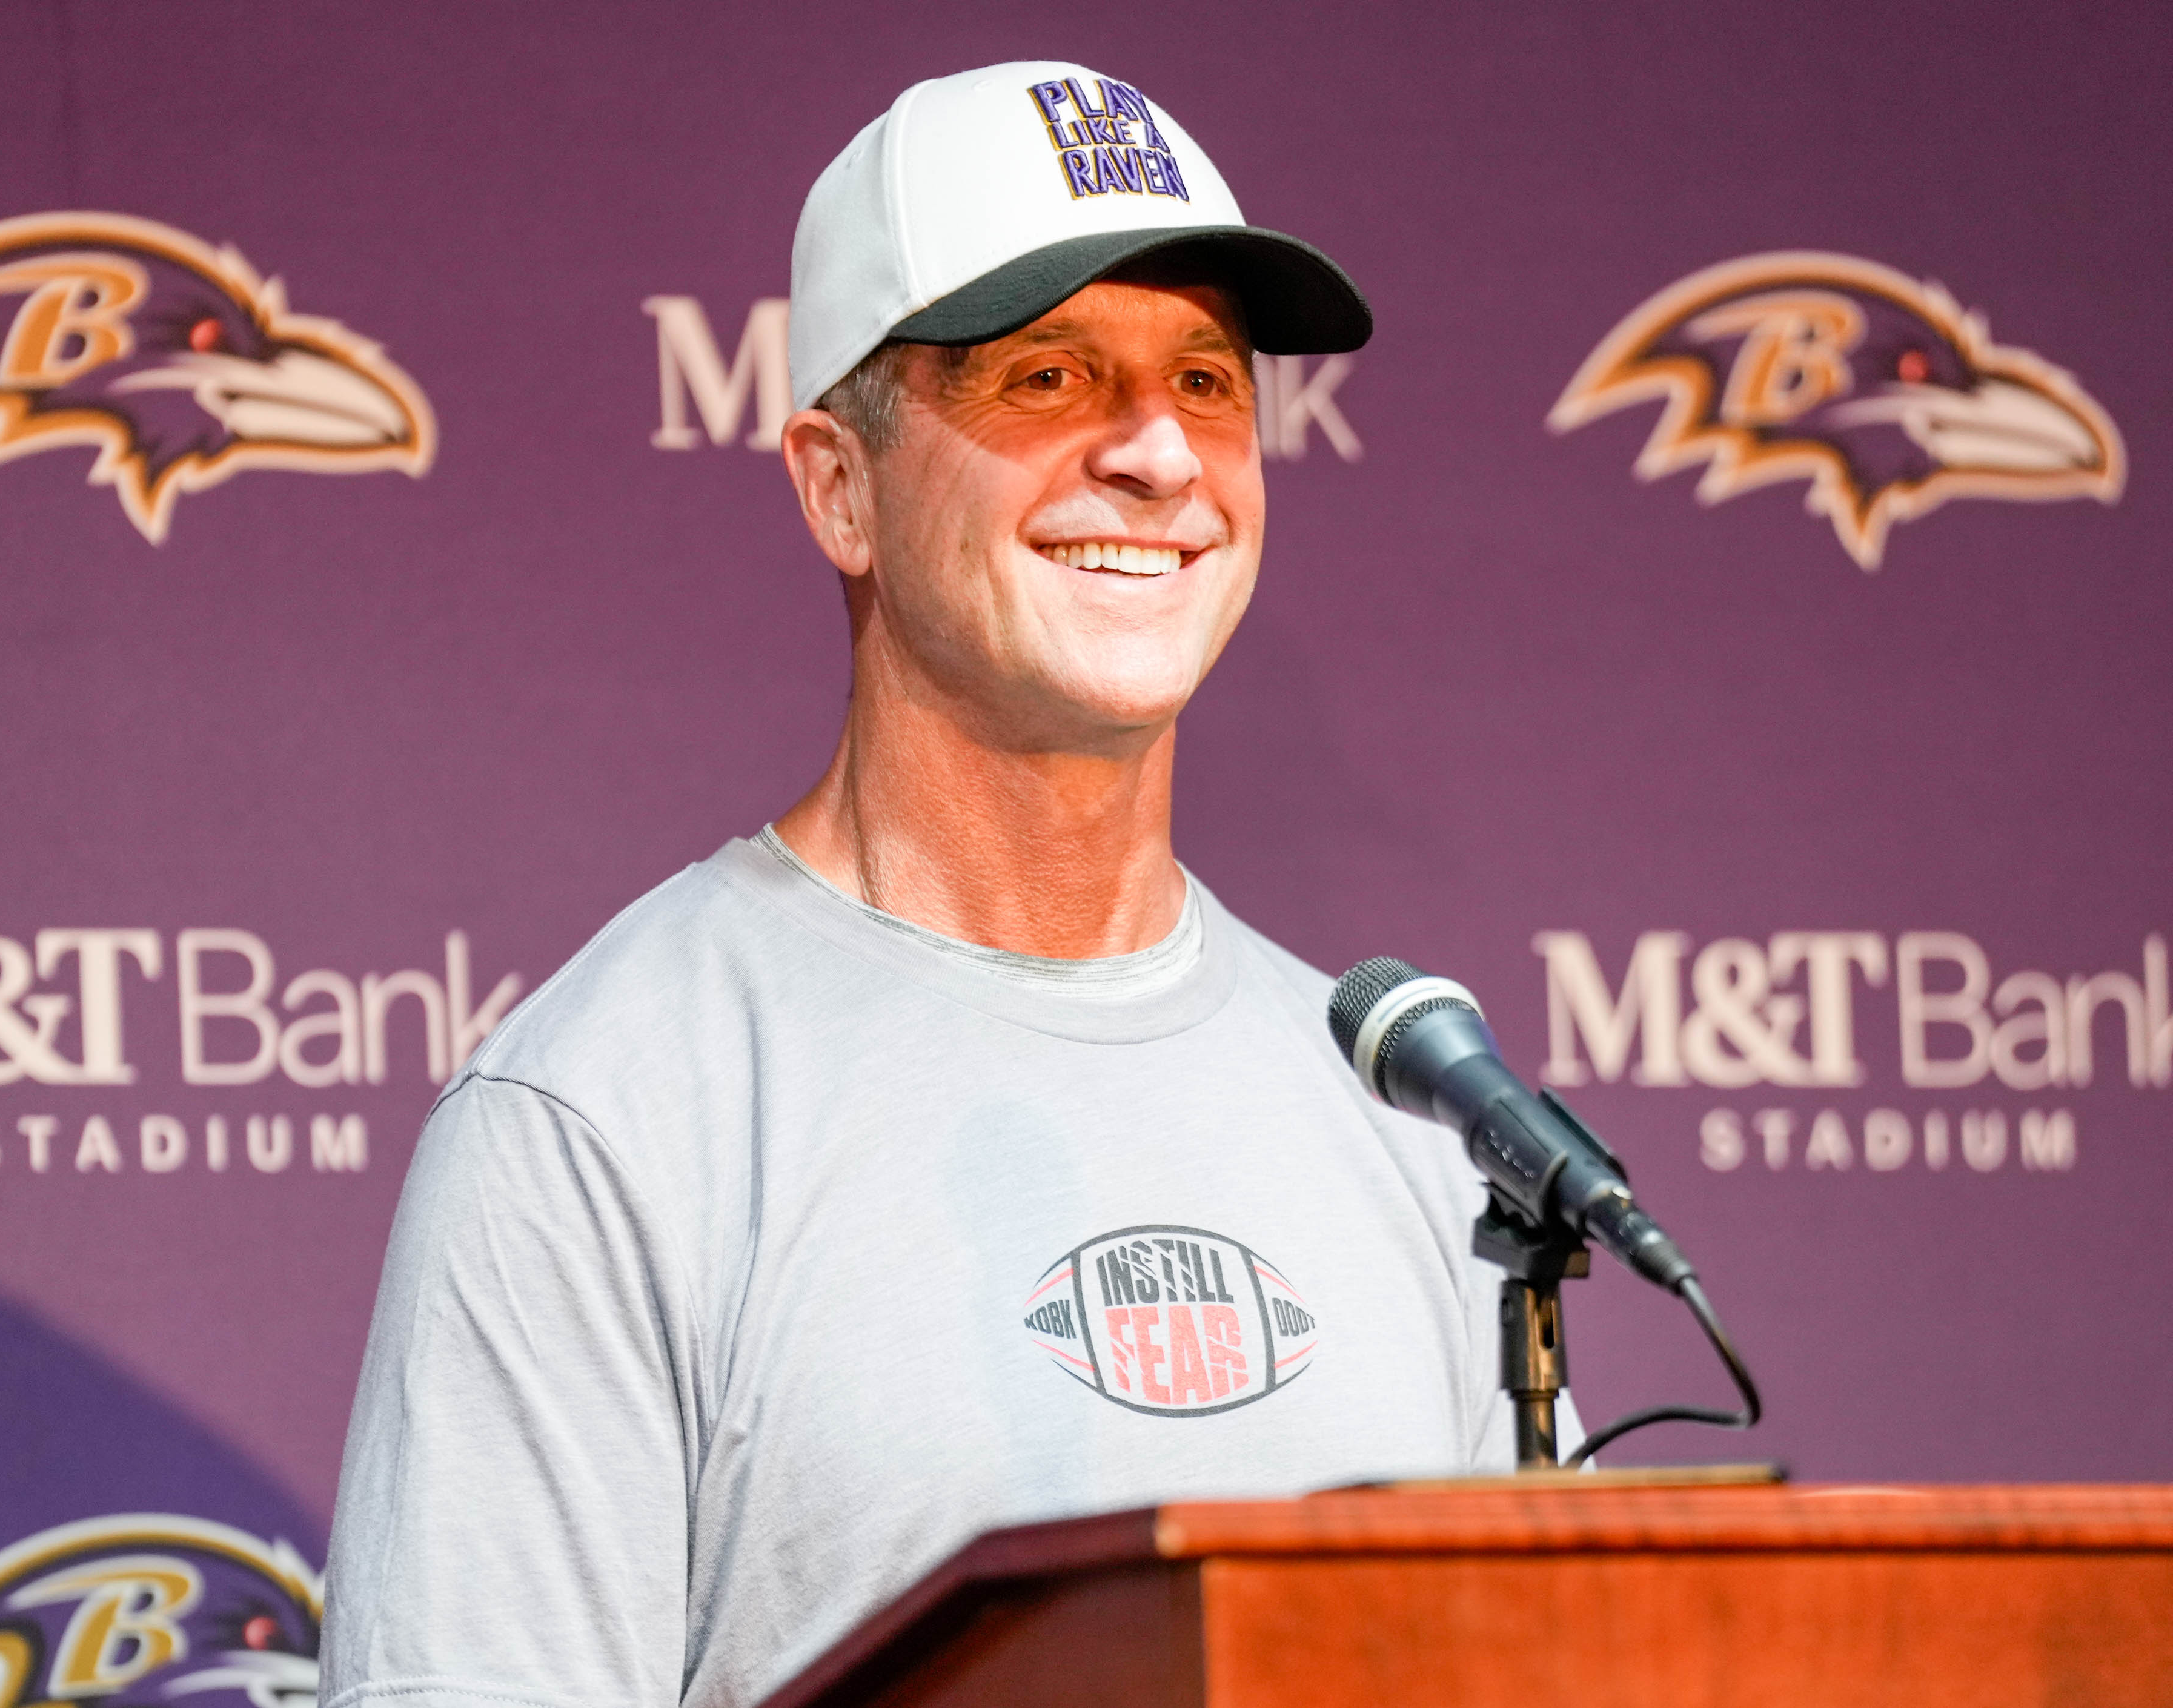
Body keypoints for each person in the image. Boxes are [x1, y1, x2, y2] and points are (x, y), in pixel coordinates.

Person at [321, 61, 1559, 1708]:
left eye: (1206, 377)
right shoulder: (604, 1121)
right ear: (840, 483)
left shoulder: (1409, 1124)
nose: (1159, 456)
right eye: (1051, 373)